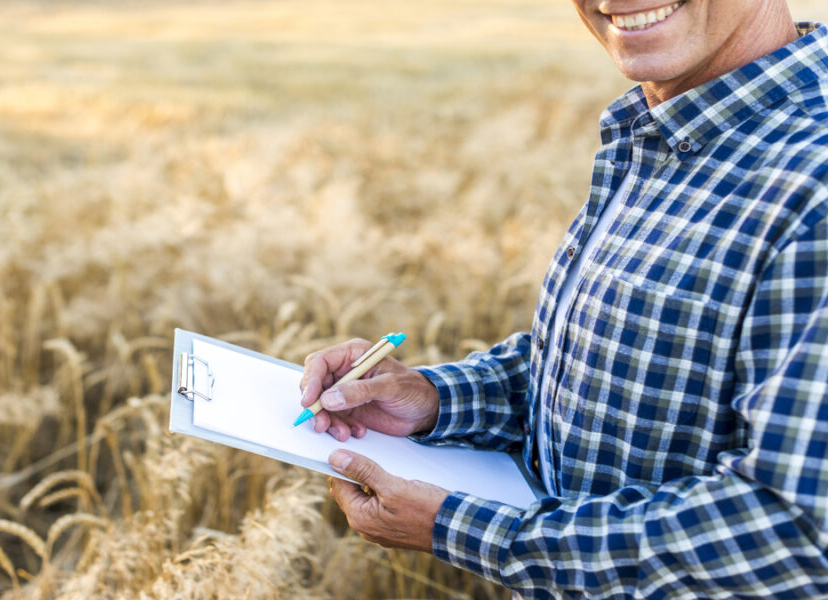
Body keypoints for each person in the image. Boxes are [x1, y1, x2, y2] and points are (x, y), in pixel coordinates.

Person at [299, 1, 828, 598]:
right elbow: (616, 366)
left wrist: (465, 530)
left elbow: (798, 533)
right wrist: (435, 401)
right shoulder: (663, 131)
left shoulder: (815, 183)